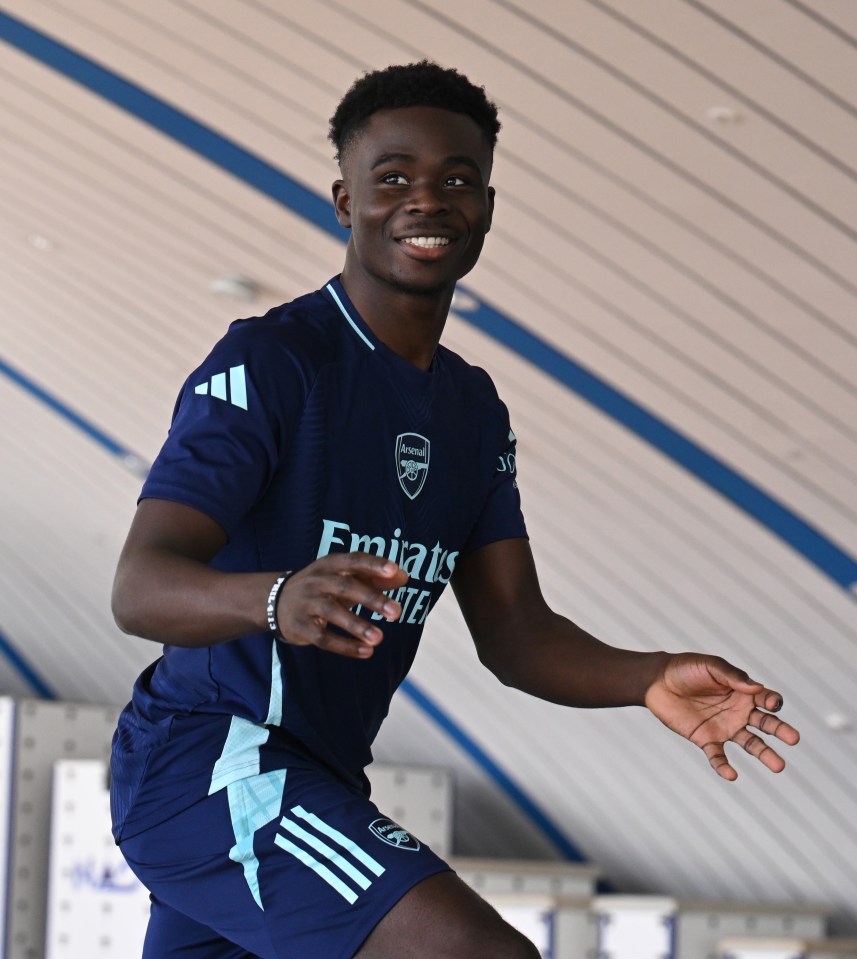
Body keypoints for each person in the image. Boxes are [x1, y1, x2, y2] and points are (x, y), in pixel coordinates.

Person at [110, 61, 800, 959]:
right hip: (211, 765)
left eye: (456, 180)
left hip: (318, 777)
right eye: (391, 176)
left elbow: (515, 633)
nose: (424, 200)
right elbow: (140, 588)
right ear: (343, 199)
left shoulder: (473, 411)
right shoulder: (274, 362)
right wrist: (278, 597)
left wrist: (647, 675)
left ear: (485, 207)